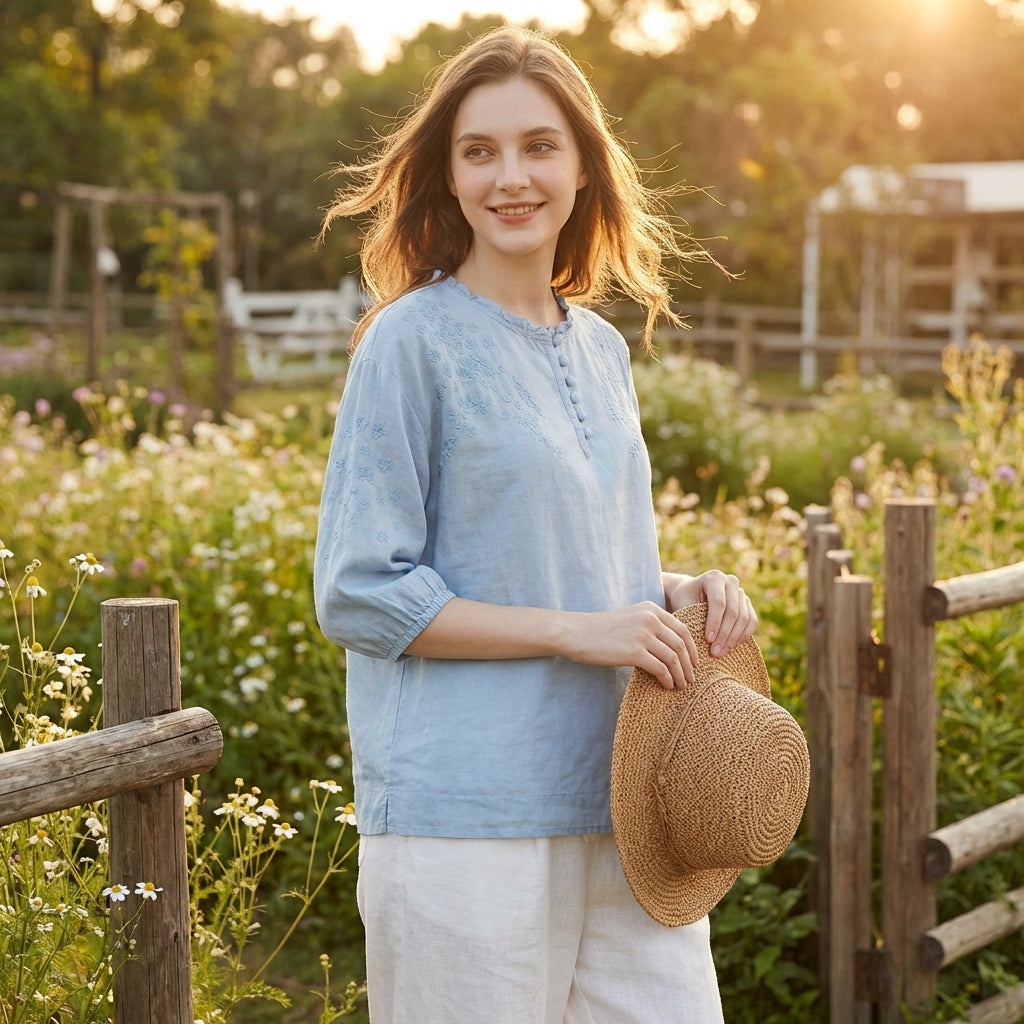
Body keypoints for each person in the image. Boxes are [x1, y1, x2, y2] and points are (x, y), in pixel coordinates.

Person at [313, 25, 758, 1024]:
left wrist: (674, 592)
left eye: (538, 146)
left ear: (583, 167)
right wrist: (575, 631)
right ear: (449, 176)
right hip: (466, 822)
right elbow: (359, 593)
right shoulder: (410, 342)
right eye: (480, 151)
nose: (510, 177)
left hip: (626, 804)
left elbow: (569, 557)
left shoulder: (600, 348)